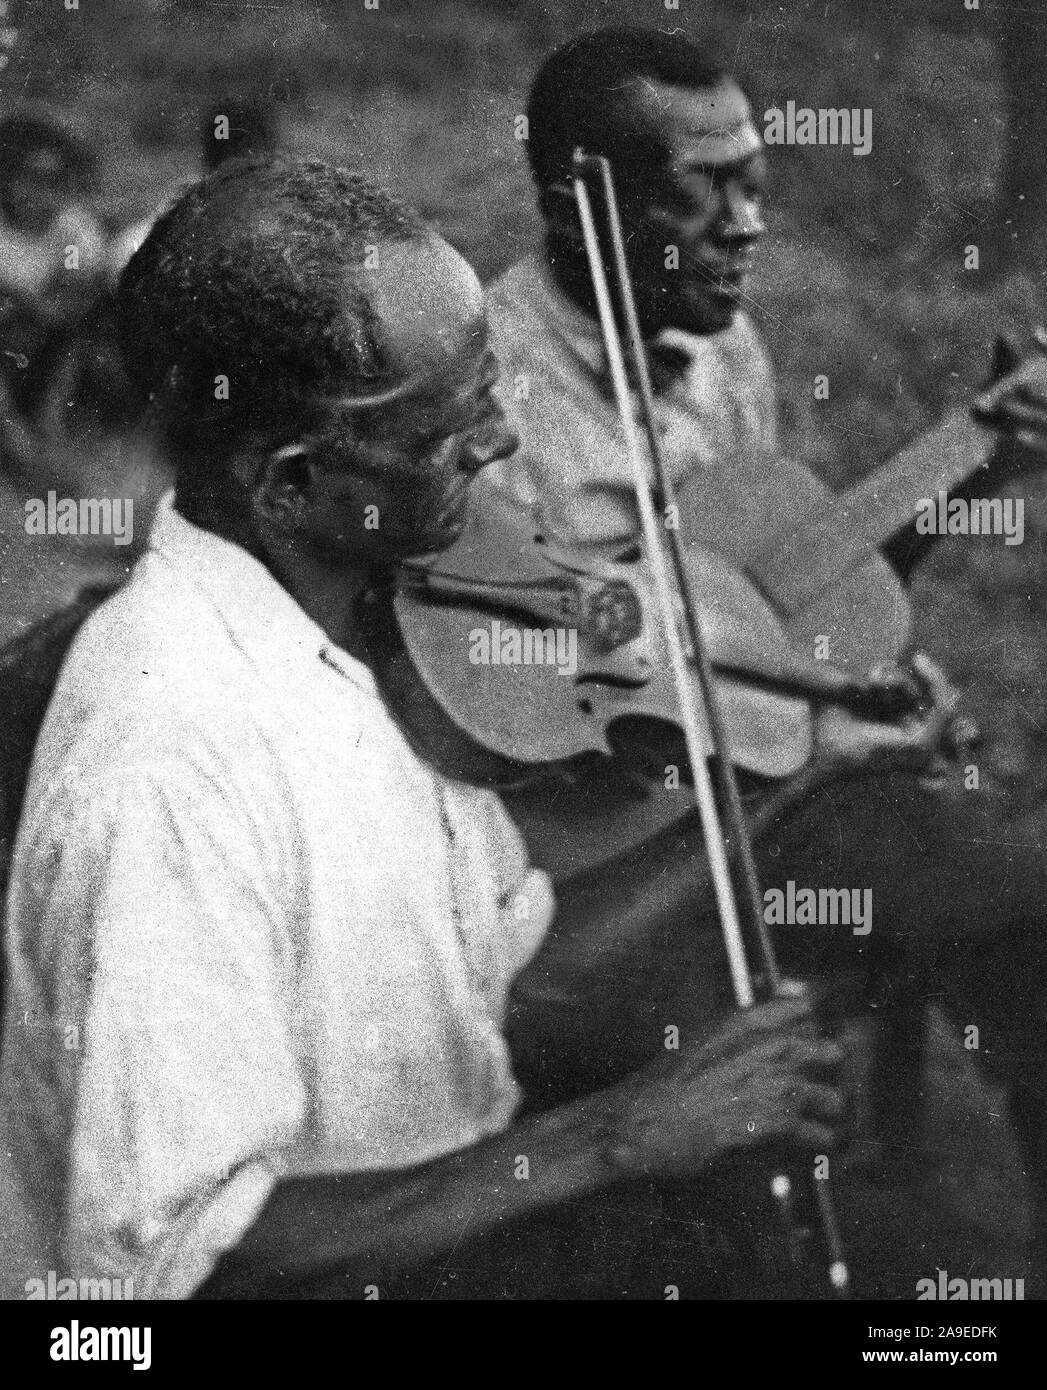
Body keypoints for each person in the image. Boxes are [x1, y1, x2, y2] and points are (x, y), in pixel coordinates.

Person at [0, 158, 848, 1301]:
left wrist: (765, 800)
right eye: (448, 431)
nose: (501, 446)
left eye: (488, 392)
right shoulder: (167, 779)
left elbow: (488, 955)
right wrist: (619, 1135)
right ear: (292, 483)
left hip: (451, 1219)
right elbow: (193, 1259)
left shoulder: (377, 617)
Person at [476, 25, 1047, 1273]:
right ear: (583, 202)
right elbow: (517, 702)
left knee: (1022, 901)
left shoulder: (726, 351)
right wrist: (813, 720)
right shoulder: (490, 398)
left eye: (756, 184)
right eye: (709, 187)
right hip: (607, 843)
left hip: (760, 780)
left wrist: (978, 464)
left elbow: (786, 594)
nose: (748, 224)